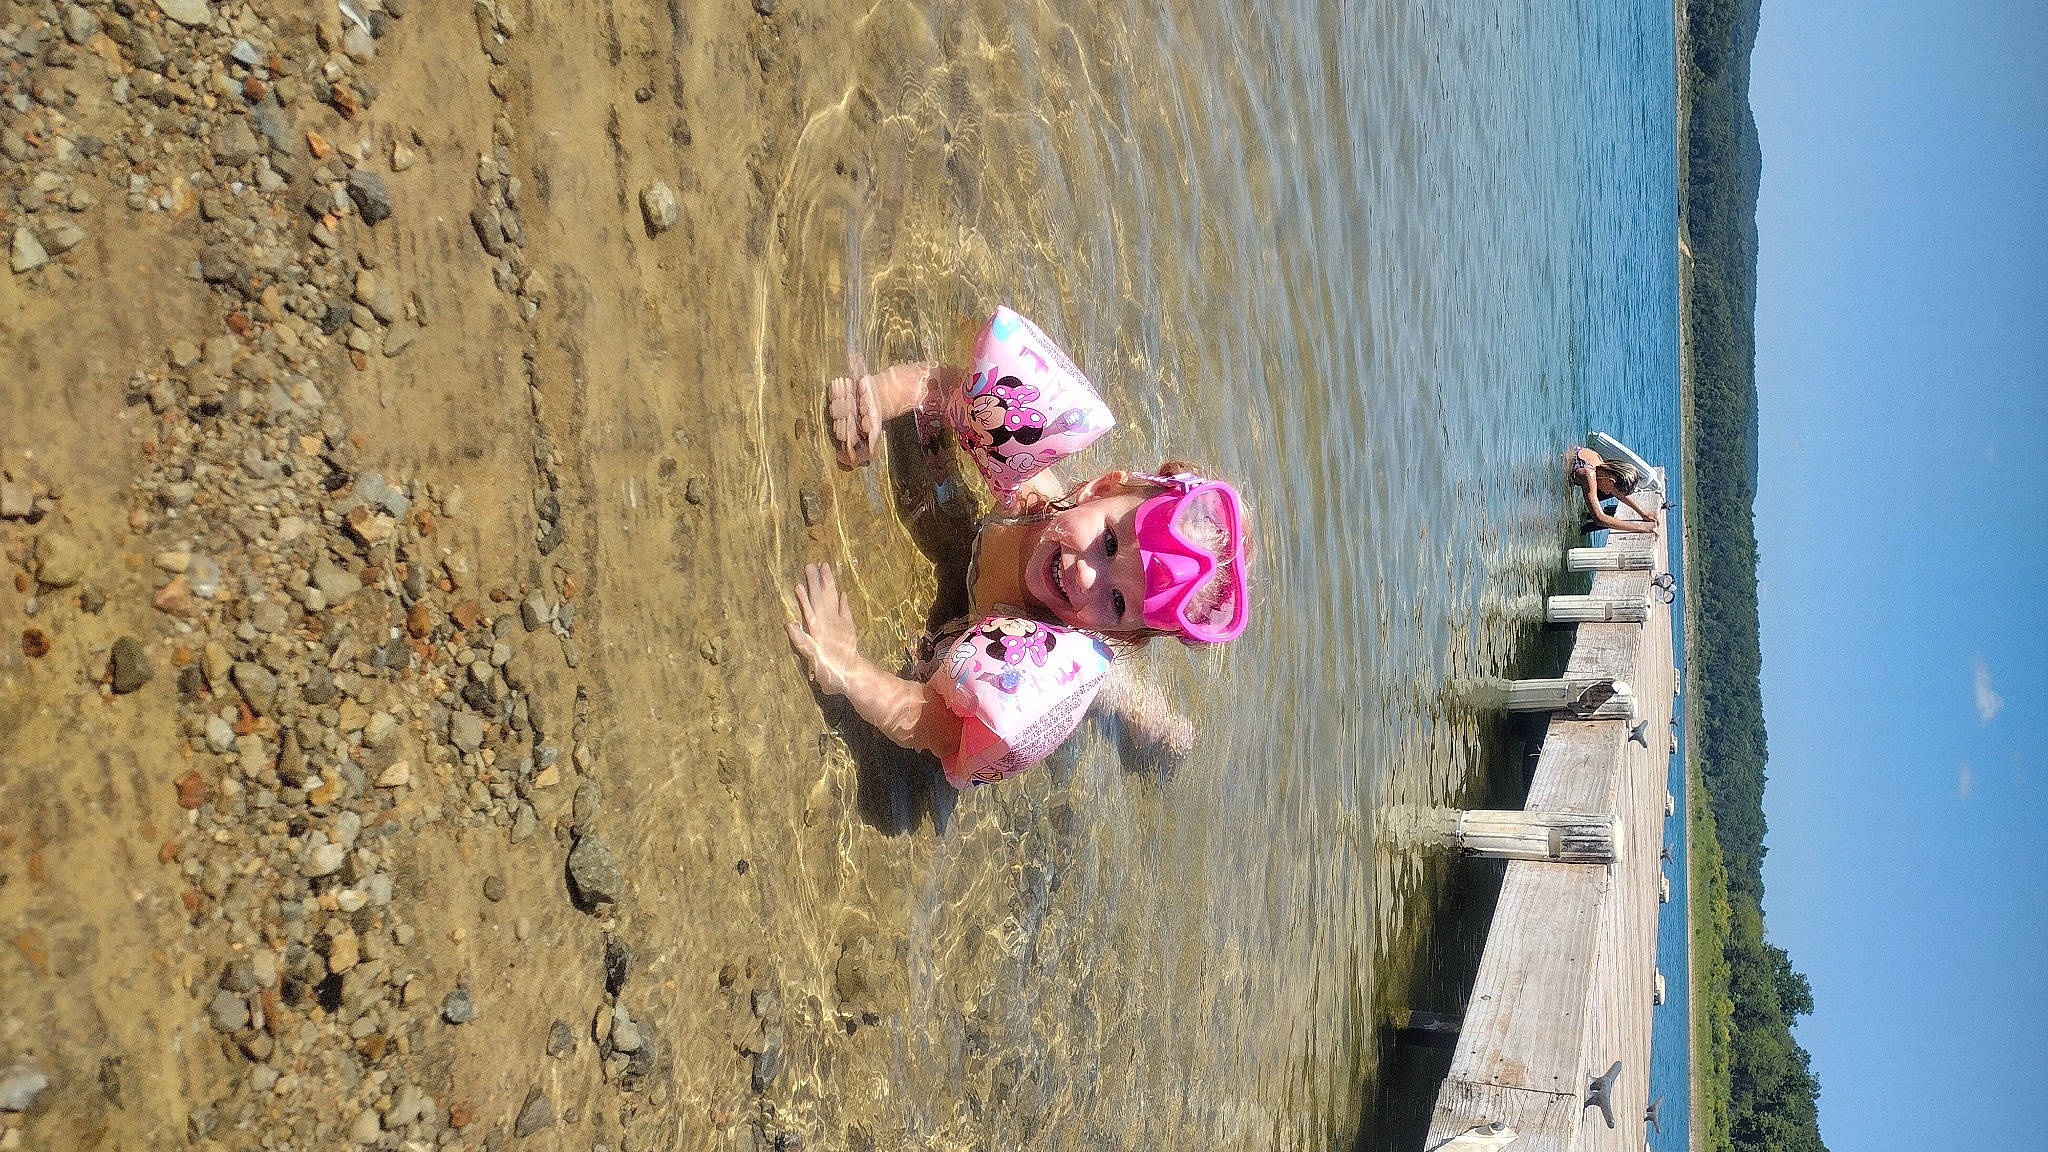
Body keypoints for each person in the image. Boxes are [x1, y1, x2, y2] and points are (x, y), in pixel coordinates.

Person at [786, 308, 1250, 788]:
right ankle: (1147, 712)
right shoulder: (1030, 494)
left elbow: (934, 725)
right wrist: (878, 399)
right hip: (995, 552)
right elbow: (947, 391)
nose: (1087, 576)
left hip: (1034, 637)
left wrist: (843, 664)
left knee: (1100, 693)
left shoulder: (1034, 654)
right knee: (939, 457)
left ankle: (1154, 723)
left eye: (1117, 603)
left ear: (1125, 635)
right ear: (1099, 489)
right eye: (1109, 542)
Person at [1566, 445, 1660, 535]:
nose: (1608, 493)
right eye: (1613, 491)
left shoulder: (1602, 464)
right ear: (1611, 481)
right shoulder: (1588, 475)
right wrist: (1642, 528)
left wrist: (1643, 514)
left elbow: (1620, 495)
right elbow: (1600, 519)